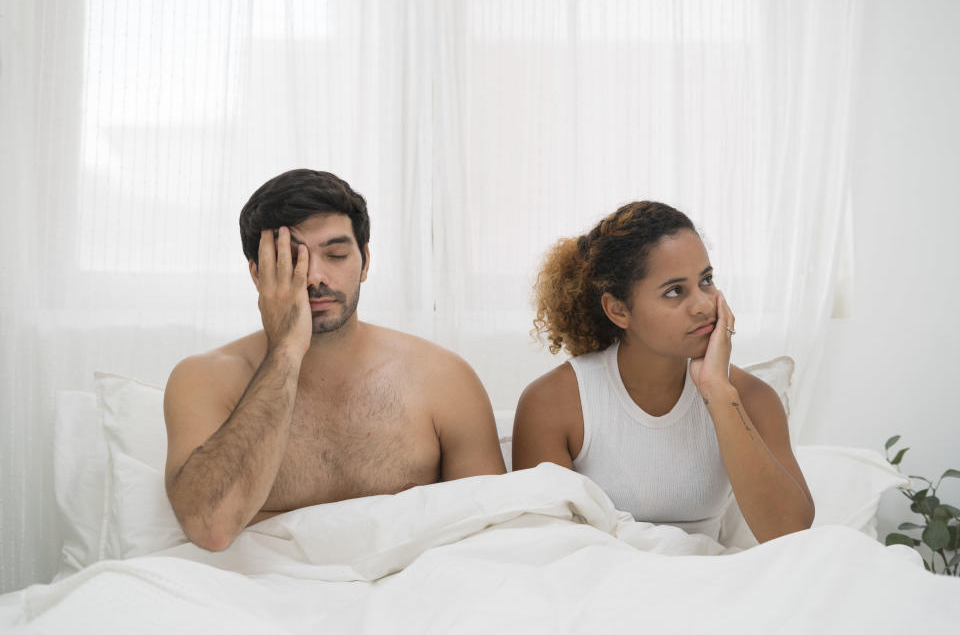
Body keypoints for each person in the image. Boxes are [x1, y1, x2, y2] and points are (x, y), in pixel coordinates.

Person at [164, 169, 505, 551]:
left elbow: (487, 534)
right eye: (290, 259)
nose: (313, 276)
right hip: (258, 595)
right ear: (257, 274)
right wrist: (286, 350)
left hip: (409, 594)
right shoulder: (204, 379)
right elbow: (210, 528)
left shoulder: (443, 378)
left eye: (337, 255)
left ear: (365, 262)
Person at [512, 201, 814, 543]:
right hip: (600, 585)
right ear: (618, 310)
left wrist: (718, 391)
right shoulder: (553, 403)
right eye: (674, 291)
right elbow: (542, 547)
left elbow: (792, 535)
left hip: (714, 582)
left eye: (707, 280)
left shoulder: (752, 398)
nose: (703, 305)